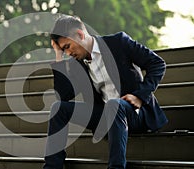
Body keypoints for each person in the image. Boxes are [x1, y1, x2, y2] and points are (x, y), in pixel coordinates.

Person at [43, 15, 168, 169]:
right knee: (58, 108)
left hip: (134, 112)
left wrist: (140, 97)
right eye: (63, 49)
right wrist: (58, 56)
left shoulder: (118, 42)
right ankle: (52, 167)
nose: (68, 53)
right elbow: (63, 96)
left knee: (114, 105)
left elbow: (157, 63)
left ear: (81, 35)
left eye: (67, 46)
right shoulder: (76, 63)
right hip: (105, 116)